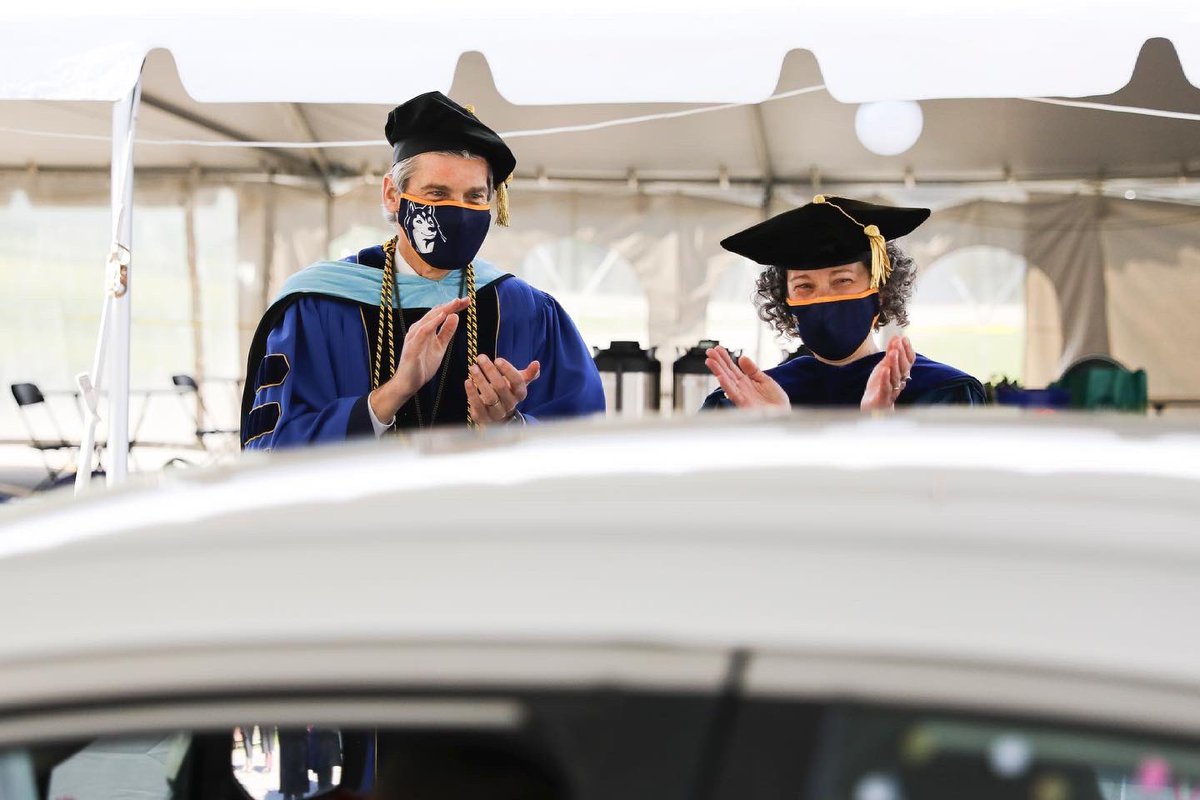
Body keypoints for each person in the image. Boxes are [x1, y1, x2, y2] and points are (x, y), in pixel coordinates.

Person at [241, 92, 604, 449]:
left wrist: (509, 424)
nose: (458, 212)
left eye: (474, 197)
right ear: (392, 196)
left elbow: (583, 447)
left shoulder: (524, 310)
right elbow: (272, 448)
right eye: (436, 194)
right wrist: (392, 394)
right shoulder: (318, 306)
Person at [702, 195, 985, 410]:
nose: (823, 298)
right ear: (786, 302)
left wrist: (879, 428)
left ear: (881, 292)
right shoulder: (748, 400)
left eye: (842, 281)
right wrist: (773, 431)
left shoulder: (943, 393)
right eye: (804, 286)